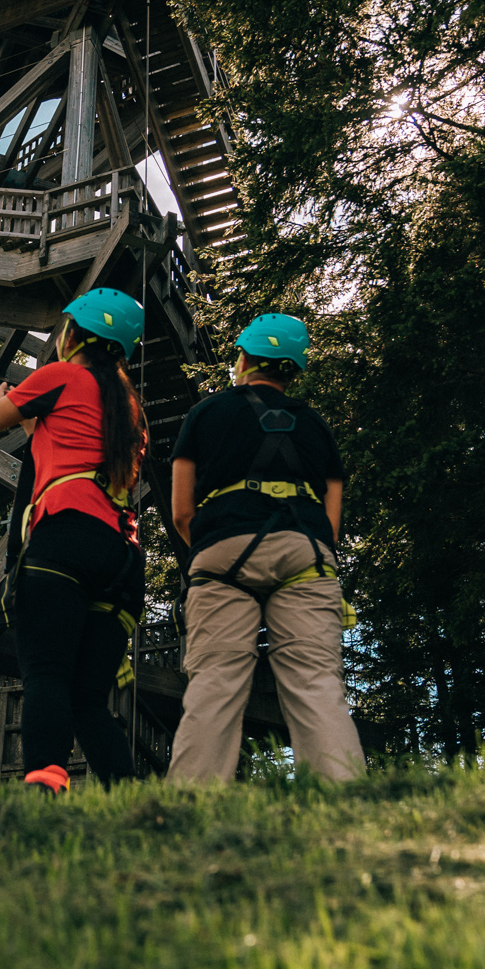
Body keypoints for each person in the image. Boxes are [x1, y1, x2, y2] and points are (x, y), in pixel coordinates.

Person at [167, 313, 365, 783]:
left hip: (222, 552)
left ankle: (190, 804)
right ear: (291, 369)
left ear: (244, 358)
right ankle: (345, 798)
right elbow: (331, 520)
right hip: (306, 553)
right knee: (316, 682)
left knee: (215, 682)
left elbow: (180, 511)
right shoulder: (315, 426)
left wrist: (216, 551)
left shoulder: (206, 414)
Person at [0, 288, 147, 793]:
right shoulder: (129, 410)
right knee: (88, 699)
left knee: (47, 674)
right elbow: (64, 444)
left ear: (74, 335)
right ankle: (133, 803)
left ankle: (46, 783)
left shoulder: (60, 376)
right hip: (120, 557)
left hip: (63, 541)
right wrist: (31, 418)